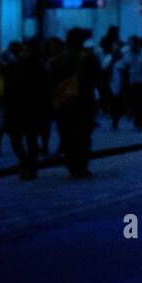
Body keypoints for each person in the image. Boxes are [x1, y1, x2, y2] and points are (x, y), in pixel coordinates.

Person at [48, 29, 100, 178]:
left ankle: (71, 163)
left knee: (67, 134)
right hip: (84, 102)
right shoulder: (89, 58)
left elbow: (50, 82)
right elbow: (98, 80)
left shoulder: (56, 60)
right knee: (83, 135)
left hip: (64, 104)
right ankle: (81, 164)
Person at [5, 40, 49, 180]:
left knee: (31, 140)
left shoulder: (39, 69)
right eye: (22, 50)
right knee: (16, 140)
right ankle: (25, 163)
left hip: (31, 110)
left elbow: (44, 92)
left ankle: (31, 166)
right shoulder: (12, 67)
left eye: (26, 50)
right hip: (15, 109)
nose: (23, 53)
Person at [119, 36, 142, 130]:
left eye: (133, 43)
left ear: (137, 44)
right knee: (134, 103)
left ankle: (141, 123)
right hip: (132, 82)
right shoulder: (126, 54)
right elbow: (123, 67)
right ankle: (136, 119)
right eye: (130, 44)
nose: (132, 45)